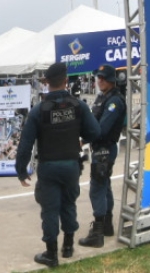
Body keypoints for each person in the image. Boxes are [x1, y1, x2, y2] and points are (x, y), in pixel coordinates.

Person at [15, 62, 101, 269]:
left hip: (49, 166)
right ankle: (68, 247)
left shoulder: (38, 111)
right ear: (65, 81)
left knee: (50, 209)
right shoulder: (78, 106)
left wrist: (21, 170)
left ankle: (51, 254)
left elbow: (25, 143)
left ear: (46, 83)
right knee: (69, 204)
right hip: (71, 164)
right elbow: (95, 132)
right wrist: (80, 138)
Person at [79, 64, 127, 248]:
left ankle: (97, 232)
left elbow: (102, 129)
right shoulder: (103, 97)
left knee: (97, 187)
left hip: (105, 149)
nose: (99, 81)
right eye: (98, 77)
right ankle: (107, 225)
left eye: (102, 78)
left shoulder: (115, 101)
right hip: (99, 149)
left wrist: (83, 140)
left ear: (110, 80)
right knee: (104, 186)